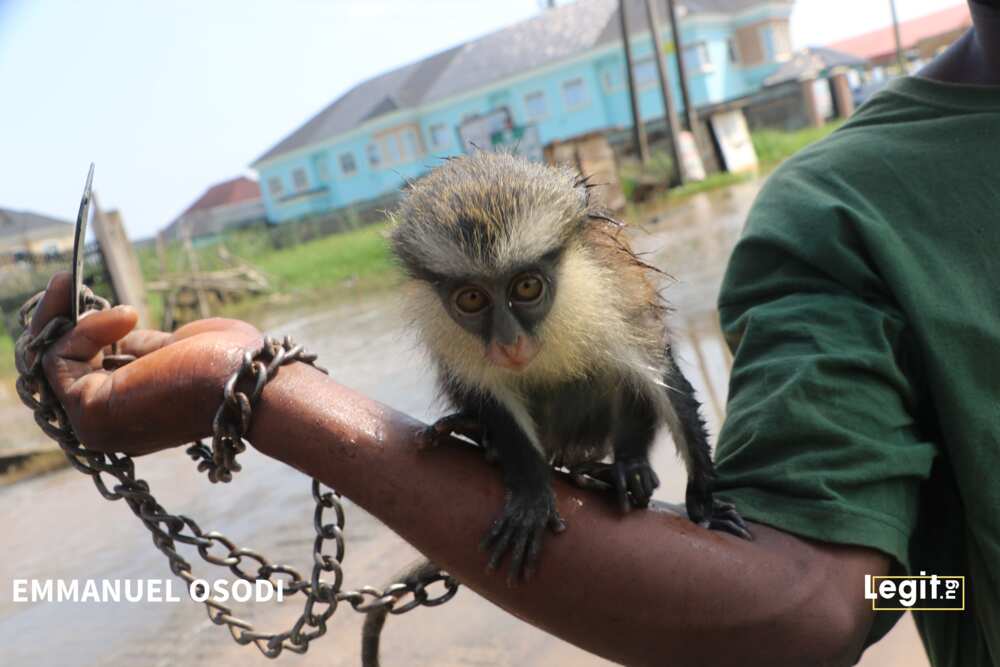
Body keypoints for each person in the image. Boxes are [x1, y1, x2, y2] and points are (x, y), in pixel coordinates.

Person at [26, 2, 999, 664]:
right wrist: (248, 384)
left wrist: (700, 488)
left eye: (528, 288)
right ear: (425, 290)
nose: (504, 330)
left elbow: (665, 389)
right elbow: (825, 602)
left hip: (617, 418)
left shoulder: (623, 295)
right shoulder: (849, 209)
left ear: (572, 259)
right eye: (469, 304)